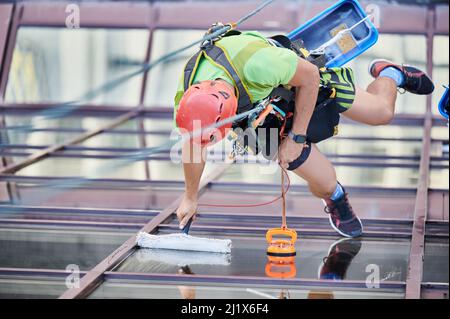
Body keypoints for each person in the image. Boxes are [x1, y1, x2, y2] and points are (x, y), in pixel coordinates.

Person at [174, 30, 434, 238]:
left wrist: (297, 138)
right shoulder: (188, 98)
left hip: (305, 81)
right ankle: (335, 196)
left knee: (382, 113)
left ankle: (390, 74)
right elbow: (194, 145)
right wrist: (190, 197)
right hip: (261, 113)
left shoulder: (260, 66)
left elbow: (308, 77)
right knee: (325, 181)